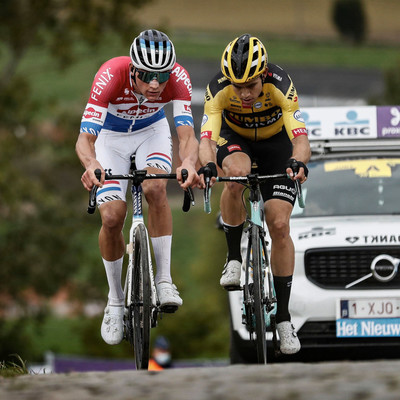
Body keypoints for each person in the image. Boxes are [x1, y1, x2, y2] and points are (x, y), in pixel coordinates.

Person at [76, 29, 199, 346]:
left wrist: (188, 162)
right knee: (112, 217)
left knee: (156, 188)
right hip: (110, 141)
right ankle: (115, 301)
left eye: (161, 75)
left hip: (151, 133)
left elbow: (186, 135)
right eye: (147, 76)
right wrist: (91, 165)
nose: (155, 84)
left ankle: (164, 279)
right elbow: (85, 140)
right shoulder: (110, 74)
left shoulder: (179, 79)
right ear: (132, 69)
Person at [198, 34, 310, 355]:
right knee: (234, 177)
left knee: (279, 226)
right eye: (238, 86)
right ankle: (234, 259)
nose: (245, 93)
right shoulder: (218, 89)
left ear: (262, 75)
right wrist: (207, 165)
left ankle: (284, 319)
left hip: (277, 146)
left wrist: (298, 161)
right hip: (236, 141)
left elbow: (301, 139)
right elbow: (207, 138)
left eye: (250, 85)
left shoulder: (281, 84)